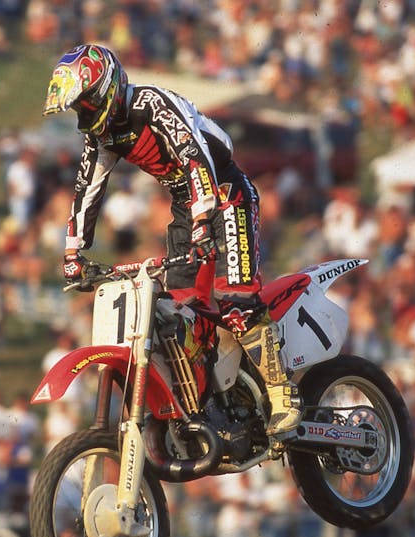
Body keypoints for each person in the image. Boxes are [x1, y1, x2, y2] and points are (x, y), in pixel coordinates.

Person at [42, 44, 300, 439]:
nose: (85, 116)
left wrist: (203, 221)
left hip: (224, 194)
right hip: (185, 206)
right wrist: (72, 253)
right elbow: (88, 189)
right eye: (79, 109)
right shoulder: (102, 136)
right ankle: (210, 399)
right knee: (179, 308)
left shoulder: (151, 104)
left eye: (87, 105)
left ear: (106, 89)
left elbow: (196, 157)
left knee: (236, 300)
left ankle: (283, 395)